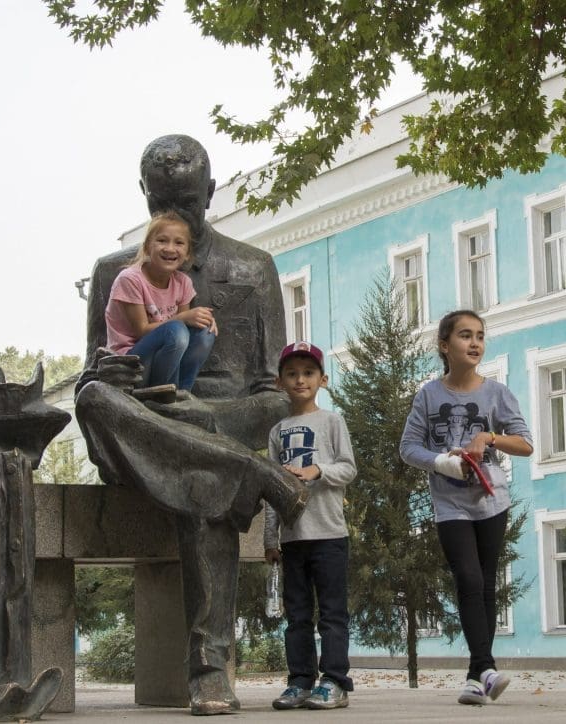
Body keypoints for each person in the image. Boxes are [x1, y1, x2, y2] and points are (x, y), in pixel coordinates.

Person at [75, 134, 307, 716]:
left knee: (203, 482)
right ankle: (249, 471)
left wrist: (210, 417)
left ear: (210, 192)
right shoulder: (113, 271)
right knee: (95, 398)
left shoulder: (252, 268)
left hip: (216, 430)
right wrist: (113, 373)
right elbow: (93, 372)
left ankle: (209, 669)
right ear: (145, 196)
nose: (175, 215)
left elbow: (277, 397)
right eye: (161, 204)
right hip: (138, 428)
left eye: (189, 202)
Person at [399, 310, 533, 706]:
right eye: (464, 336)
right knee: (469, 580)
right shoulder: (428, 395)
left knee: (486, 583)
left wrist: (488, 437)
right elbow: (409, 448)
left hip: (492, 501)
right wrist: (443, 462)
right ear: (445, 345)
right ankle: (486, 666)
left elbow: (525, 443)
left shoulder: (496, 393)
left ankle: (478, 677)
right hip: (449, 503)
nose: (474, 343)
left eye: (479, 336)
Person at [263, 341, 356, 711]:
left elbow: (348, 468)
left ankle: (335, 681)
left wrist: (317, 471)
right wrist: (271, 538)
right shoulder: (277, 432)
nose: (300, 379)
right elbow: (271, 488)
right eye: (292, 373)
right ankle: (300, 681)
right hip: (293, 539)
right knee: (297, 616)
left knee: (332, 614)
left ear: (322, 379)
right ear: (279, 381)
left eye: (308, 373)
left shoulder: (331, 421)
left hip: (330, 534)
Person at [104, 210, 217, 393]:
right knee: (176, 330)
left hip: (165, 360)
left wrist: (203, 319)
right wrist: (183, 318)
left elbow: (185, 334)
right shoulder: (130, 279)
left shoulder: (183, 282)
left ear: (187, 253)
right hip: (133, 364)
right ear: (148, 246)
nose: (170, 248)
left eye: (179, 243)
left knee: (205, 332)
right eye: (162, 240)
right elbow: (141, 331)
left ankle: (180, 392)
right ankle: (160, 393)